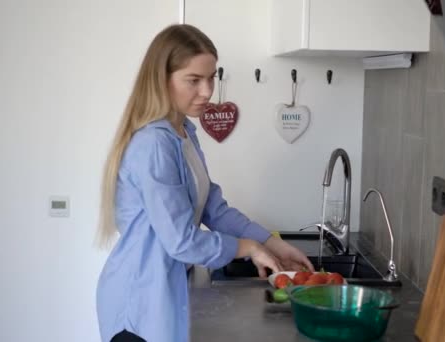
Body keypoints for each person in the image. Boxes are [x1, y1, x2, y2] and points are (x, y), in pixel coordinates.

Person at [95, 24, 314, 342]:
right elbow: (182, 242)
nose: (208, 91)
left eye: (212, 77)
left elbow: (214, 208)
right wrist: (248, 248)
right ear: (162, 79)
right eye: (194, 80)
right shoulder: (155, 145)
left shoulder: (183, 133)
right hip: (139, 302)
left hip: (162, 293)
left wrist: (270, 242)